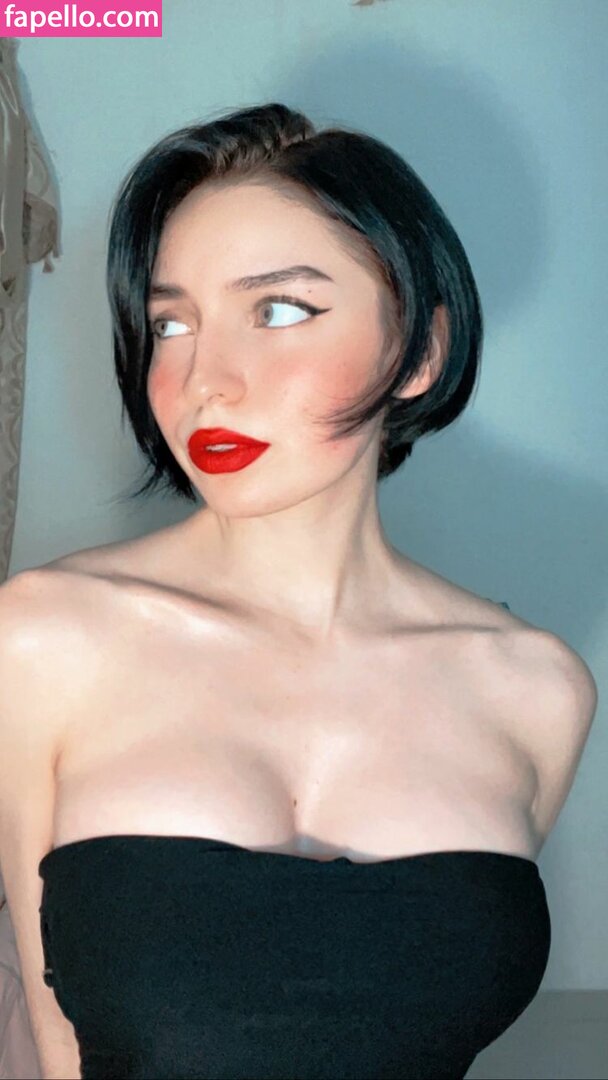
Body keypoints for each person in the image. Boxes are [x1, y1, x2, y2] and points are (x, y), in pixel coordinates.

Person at [0, 102, 597, 1080]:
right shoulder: (44, 638)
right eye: (171, 322)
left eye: (278, 310)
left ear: (420, 353)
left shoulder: (534, 690)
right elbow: (50, 1031)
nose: (205, 380)